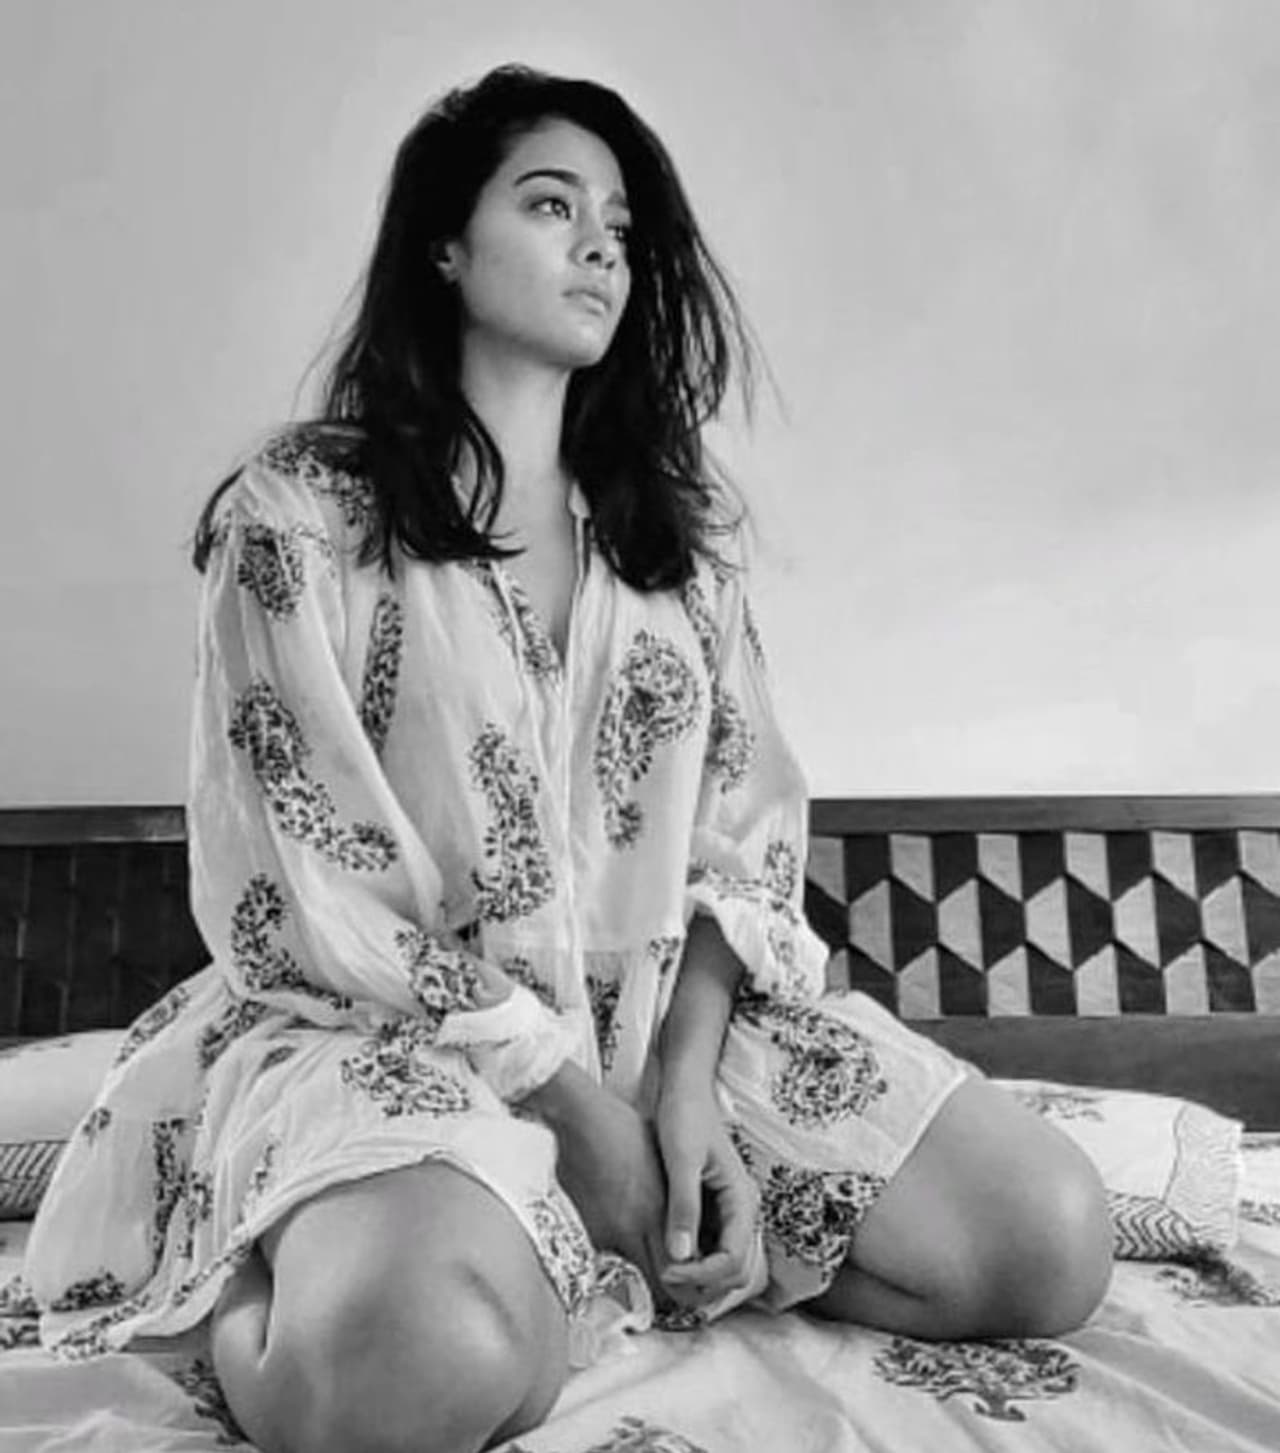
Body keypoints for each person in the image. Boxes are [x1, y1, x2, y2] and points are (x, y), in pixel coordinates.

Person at [25, 64, 1113, 1453]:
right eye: (551, 206)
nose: (602, 246)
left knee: (1049, 1237)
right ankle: (257, 1280)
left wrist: (680, 1096)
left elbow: (743, 846)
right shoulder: (296, 521)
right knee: (413, 1376)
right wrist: (566, 1107)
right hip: (391, 1037)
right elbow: (312, 894)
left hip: (661, 1035)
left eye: (620, 225)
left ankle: (610, 1257)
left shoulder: (675, 542)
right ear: (445, 244)